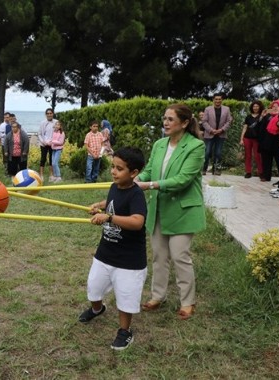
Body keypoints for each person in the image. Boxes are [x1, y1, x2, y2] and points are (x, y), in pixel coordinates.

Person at [136, 103, 205, 321]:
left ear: (184, 123)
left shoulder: (195, 146)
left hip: (183, 210)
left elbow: (183, 179)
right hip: (158, 209)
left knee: (180, 256)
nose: (165, 123)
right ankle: (158, 296)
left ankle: (187, 301)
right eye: (164, 118)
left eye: (170, 119)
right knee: (159, 256)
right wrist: (136, 180)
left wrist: (150, 185)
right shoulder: (159, 144)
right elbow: (149, 171)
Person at [79, 147, 147, 351]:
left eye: (119, 169)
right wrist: (99, 206)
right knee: (93, 289)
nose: (113, 172)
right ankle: (97, 309)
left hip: (129, 260)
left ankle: (125, 331)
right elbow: (111, 201)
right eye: (113, 167)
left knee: (126, 300)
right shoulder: (114, 186)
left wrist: (108, 217)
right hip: (105, 254)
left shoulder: (136, 195)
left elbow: (137, 222)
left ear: (133, 173)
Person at [201, 93, 232, 175]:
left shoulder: (226, 109)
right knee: (207, 152)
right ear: (213, 100)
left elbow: (229, 121)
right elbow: (204, 121)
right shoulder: (207, 109)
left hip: (221, 134)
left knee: (218, 153)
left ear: (222, 100)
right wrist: (211, 130)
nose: (218, 101)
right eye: (216, 99)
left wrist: (221, 130)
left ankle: (216, 169)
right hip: (209, 134)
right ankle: (204, 169)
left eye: (219, 99)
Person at [258, 100, 279, 184]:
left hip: (278, 142)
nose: (275, 107)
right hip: (267, 142)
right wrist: (262, 117)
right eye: (273, 106)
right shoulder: (268, 116)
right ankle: (266, 176)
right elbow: (261, 128)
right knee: (266, 160)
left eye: (277, 106)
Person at [239, 100, 264, 179]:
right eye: (254, 106)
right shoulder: (248, 117)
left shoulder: (262, 116)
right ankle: (248, 172)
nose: (255, 108)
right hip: (247, 138)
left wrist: (262, 116)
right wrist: (241, 139)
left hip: (257, 139)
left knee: (257, 156)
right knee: (248, 155)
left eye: (257, 106)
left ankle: (260, 172)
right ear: (252, 107)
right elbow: (245, 127)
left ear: (259, 107)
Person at [38, 108, 57, 181]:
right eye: (48, 113)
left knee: (51, 159)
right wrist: (43, 142)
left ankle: (51, 175)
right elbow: (39, 134)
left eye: (50, 113)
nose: (49, 115)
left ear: (53, 114)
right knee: (43, 159)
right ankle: (41, 176)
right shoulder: (43, 123)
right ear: (46, 115)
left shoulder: (56, 122)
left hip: (53, 144)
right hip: (44, 144)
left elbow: (58, 133)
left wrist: (52, 141)